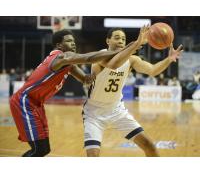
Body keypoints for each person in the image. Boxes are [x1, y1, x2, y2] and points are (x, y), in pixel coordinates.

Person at [9, 29, 145, 157]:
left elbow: (85, 79)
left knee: (44, 149)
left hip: (36, 103)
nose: (73, 43)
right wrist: (126, 49)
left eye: (73, 40)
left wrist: (95, 75)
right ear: (59, 45)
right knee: (39, 149)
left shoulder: (68, 63)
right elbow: (88, 58)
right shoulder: (62, 56)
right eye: (68, 41)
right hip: (25, 100)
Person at [82, 28, 183, 157]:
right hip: (94, 113)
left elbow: (152, 70)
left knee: (150, 146)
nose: (120, 41)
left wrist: (169, 59)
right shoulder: (100, 56)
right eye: (117, 38)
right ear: (108, 40)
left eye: (123, 39)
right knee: (93, 156)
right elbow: (114, 64)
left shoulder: (131, 60)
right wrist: (136, 44)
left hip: (116, 111)